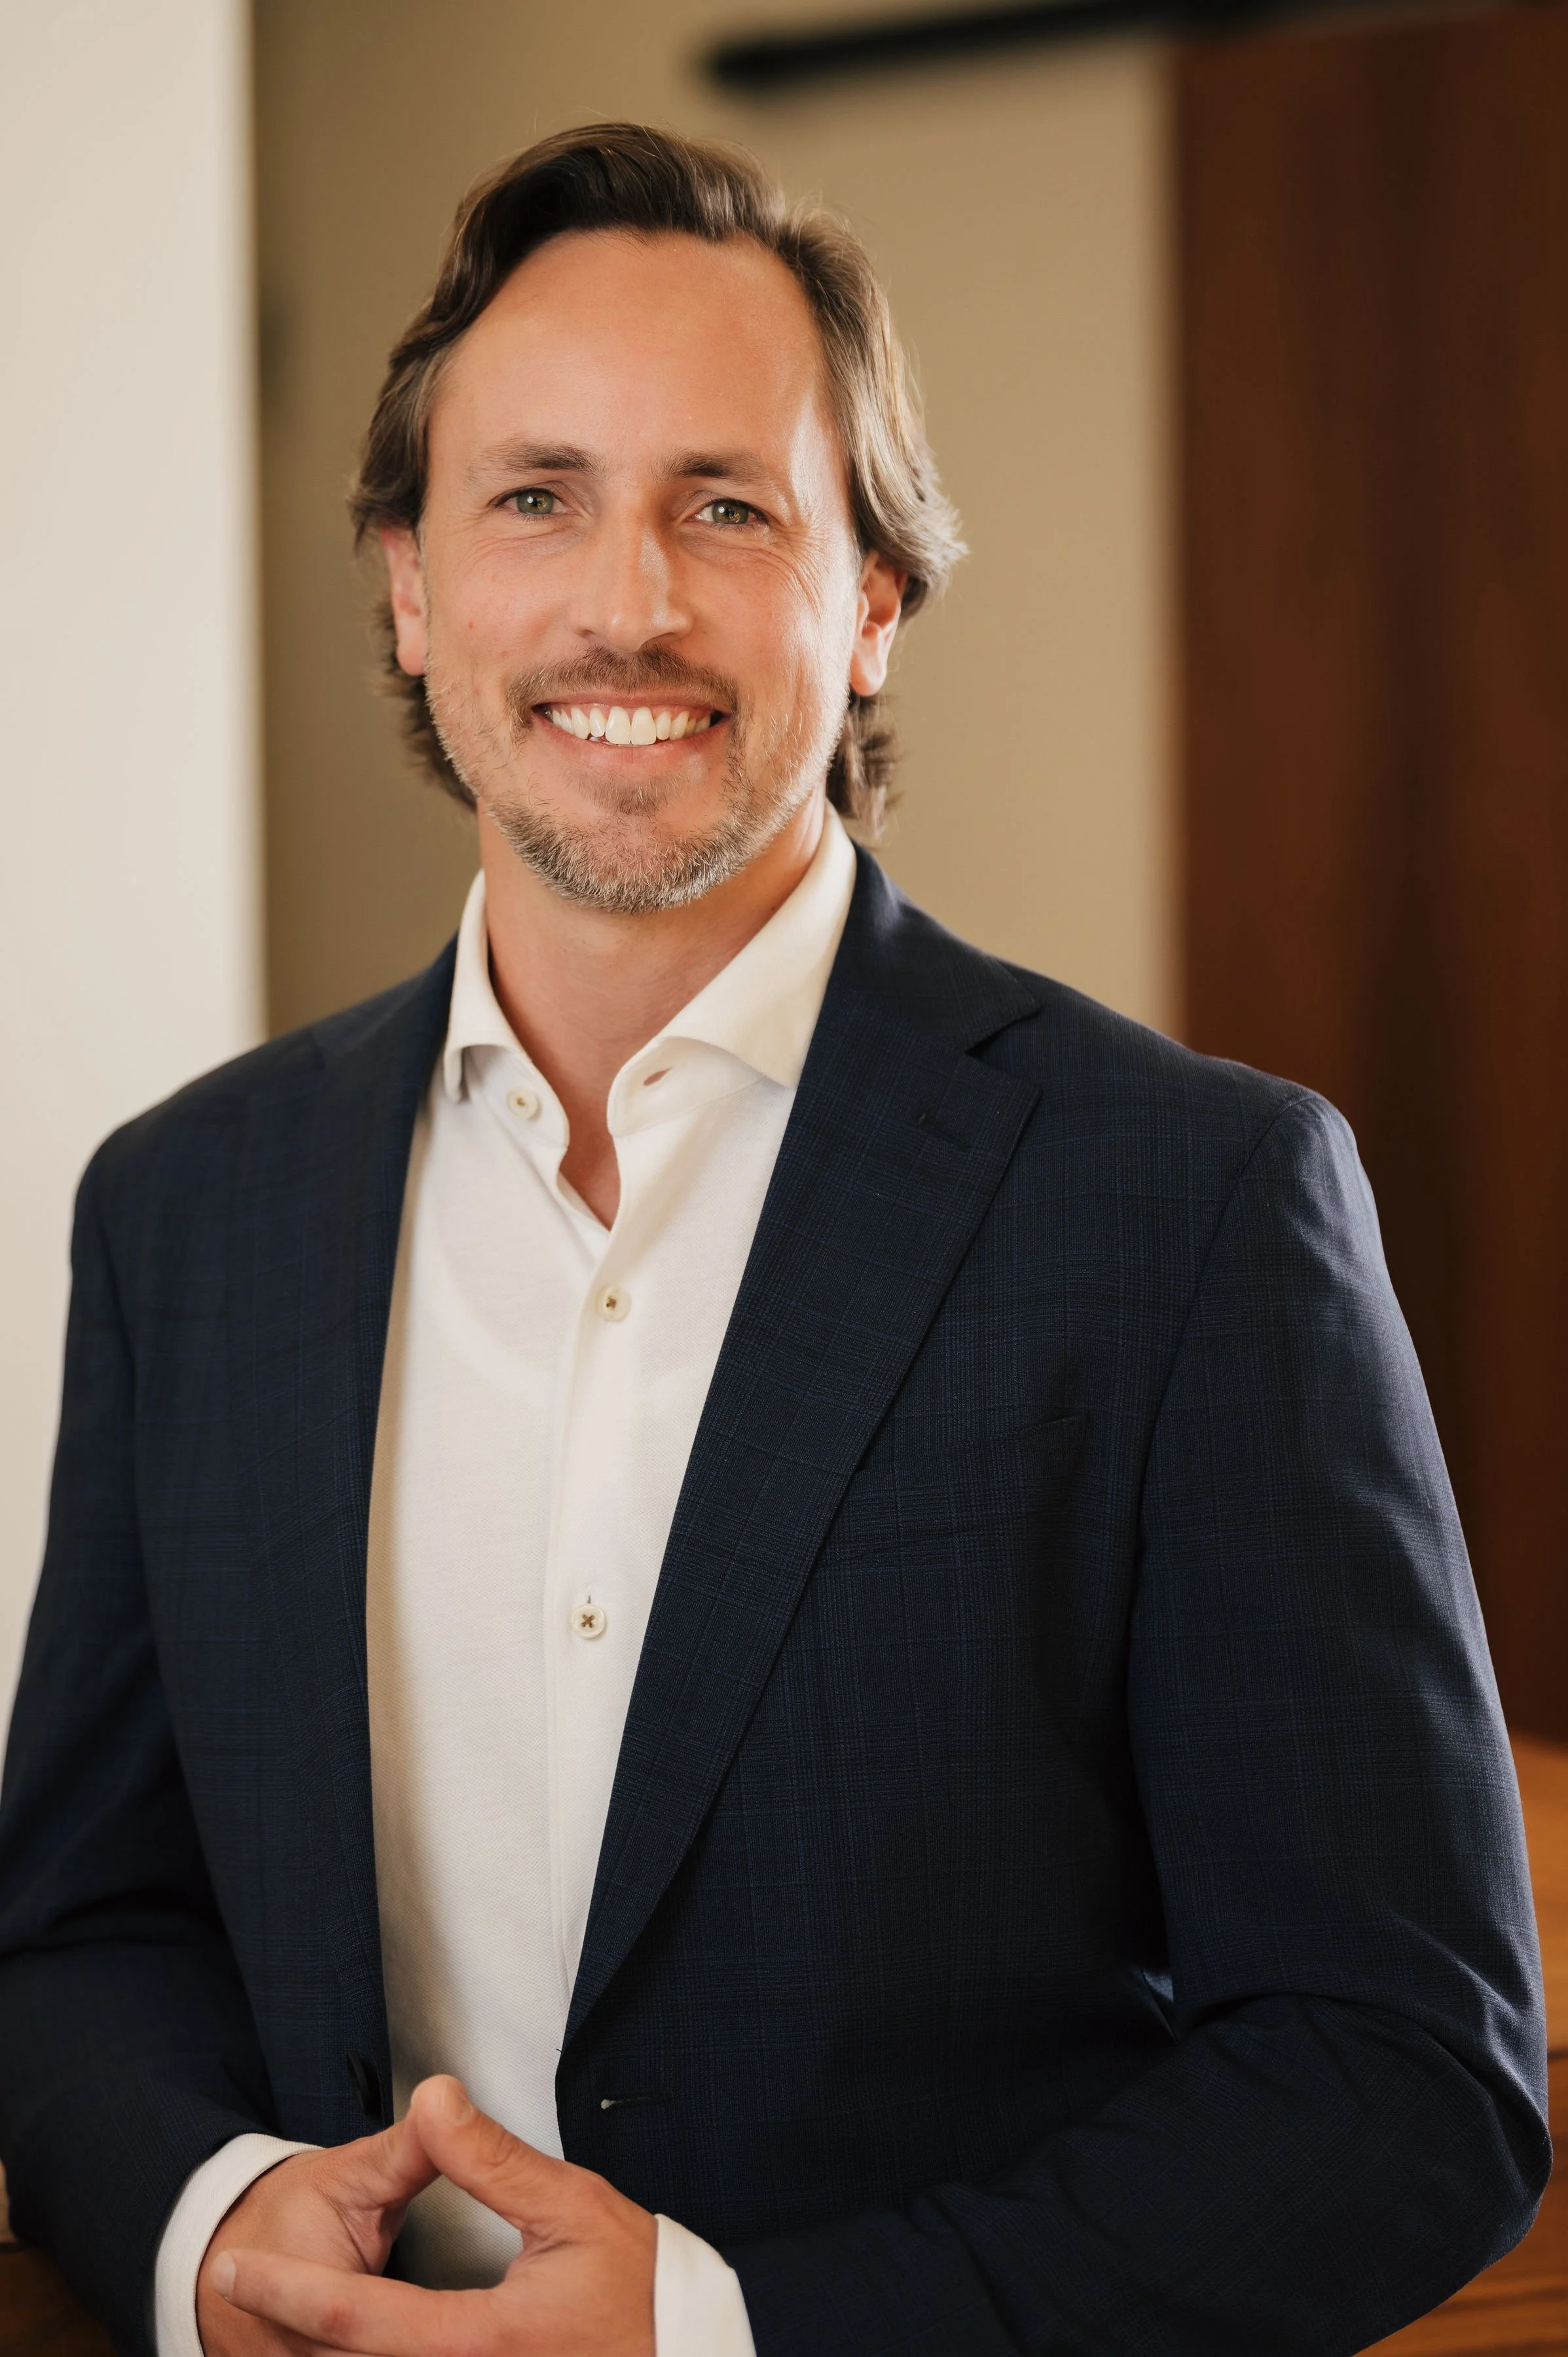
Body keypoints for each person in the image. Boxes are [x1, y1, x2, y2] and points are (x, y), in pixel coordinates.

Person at [0, 122, 1548, 2357]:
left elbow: (1404, 2077)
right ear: (412, 583)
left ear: (872, 593)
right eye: (533, 495)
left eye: (729, 505)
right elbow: (81, 1929)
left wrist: (733, 2337)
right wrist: (205, 2212)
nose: (629, 600)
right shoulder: (187, 1208)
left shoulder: (1193, 1202)